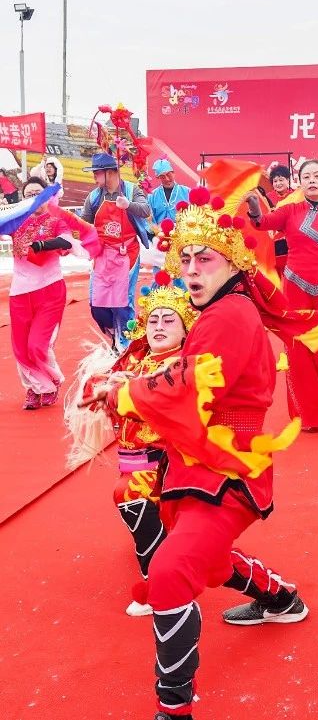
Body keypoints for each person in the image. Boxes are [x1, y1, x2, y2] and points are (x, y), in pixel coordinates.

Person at [92, 185, 310, 719]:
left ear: (232, 264)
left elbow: (191, 386)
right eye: (185, 258)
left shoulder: (229, 315)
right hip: (198, 462)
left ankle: (173, 708)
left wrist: (124, 391)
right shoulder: (219, 314)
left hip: (225, 467)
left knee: (170, 571)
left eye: (204, 258)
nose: (191, 268)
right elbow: (182, 380)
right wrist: (125, 385)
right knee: (205, 561)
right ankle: (281, 599)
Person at [65, 278, 199, 616]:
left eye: (169, 320)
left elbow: (160, 396)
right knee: (139, 503)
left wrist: (122, 388)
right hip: (137, 460)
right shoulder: (136, 361)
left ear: (185, 331)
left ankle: (159, 584)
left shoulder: (184, 363)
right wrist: (107, 385)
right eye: (153, 319)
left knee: (130, 495)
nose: (159, 325)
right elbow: (94, 389)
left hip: (171, 462)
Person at [247, 158, 318, 431]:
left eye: (317, 175)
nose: (313, 181)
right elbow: (262, 224)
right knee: (297, 352)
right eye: (307, 177)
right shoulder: (290, 211)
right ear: (300, 182)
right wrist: (255, 208)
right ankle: (305, 413)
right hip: (295, 290)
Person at [4, 178, 73, 409]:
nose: (33, 197)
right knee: (21, 348)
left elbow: (66, 242)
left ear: (46, 196)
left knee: (37, 345)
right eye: (28, 194)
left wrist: (42, 246)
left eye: (38, 193)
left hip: (49, 291)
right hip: (20, 293)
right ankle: (34, 388)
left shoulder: (56, 220)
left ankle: (52, 381)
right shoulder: (15, 222)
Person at [81, 152, 152, 350]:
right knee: (97, 303)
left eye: (97, 173)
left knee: (122, 303)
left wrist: (128, 205)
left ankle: (126, 345)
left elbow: (146, 210)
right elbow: (84, 223)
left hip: (126, 252)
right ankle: (115, 332)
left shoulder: (131, 191)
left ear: (111, 172)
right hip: (103, 254)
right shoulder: (94, 197)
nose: (94, 177)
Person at [147, 159, 190, 228]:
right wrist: (156, 230)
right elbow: (150, 220)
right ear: (158, 178)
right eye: (163, 177)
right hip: (160, 235)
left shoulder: (187, 191)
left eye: (168, 175)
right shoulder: (152, 196)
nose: (167, 179)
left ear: (173, 173)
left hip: (183, 235)